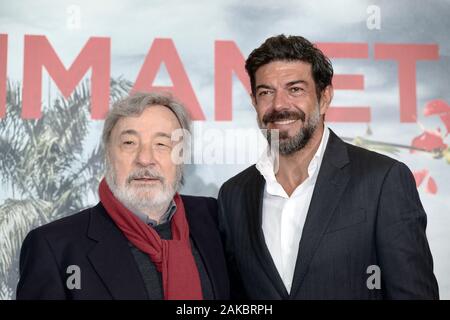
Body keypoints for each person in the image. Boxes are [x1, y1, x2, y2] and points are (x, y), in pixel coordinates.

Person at [217, 34, 439, 299]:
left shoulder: (382, 181)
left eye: (295, 89)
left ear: (324, 97)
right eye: (266, 92)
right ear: (254, 102)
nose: (279, 105)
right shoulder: (233, 195)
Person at [17, 92, 229, 300]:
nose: (145, 159)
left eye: (162, 144)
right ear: (108, 155)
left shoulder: (215, 220)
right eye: (129, 143)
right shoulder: (54, 247)